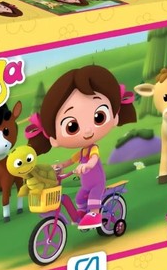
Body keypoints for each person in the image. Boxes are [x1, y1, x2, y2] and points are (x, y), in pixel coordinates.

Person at [25, 65, 136, 229]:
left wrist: (87, 165)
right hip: (86, 184)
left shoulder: (92, 149)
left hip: (97, 183)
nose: (88, 131)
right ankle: (82, 214)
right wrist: (61, 165)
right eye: (72, 126)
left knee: (93, 200)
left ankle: (94, 215)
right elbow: (71, 160)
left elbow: (94, 159)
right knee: (79, 198)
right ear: (53, 139)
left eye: (99, 117)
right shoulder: (82, 151)